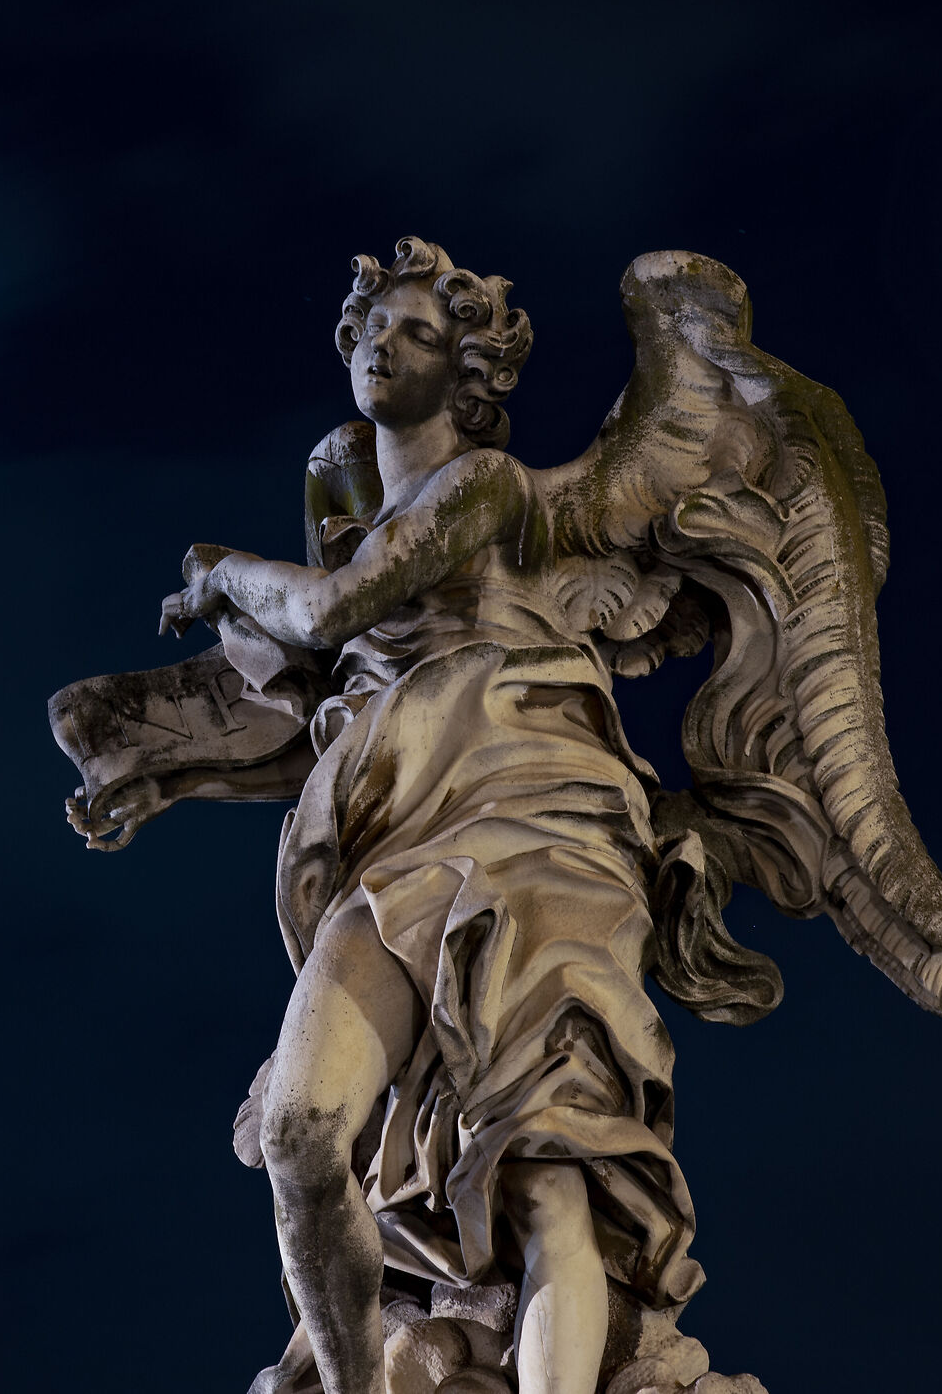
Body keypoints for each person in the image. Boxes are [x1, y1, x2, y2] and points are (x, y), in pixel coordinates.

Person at [158, 239, 701, 1394]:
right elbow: (315, 670)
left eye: (412, 330)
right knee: (305, 1134)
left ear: (469, 376)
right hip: (396, 832)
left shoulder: (484, 488)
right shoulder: (358, 503)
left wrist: (222, 573)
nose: (376, 343)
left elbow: (329, 606)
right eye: (365, 326)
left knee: (548, 1157)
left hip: (534, 810)